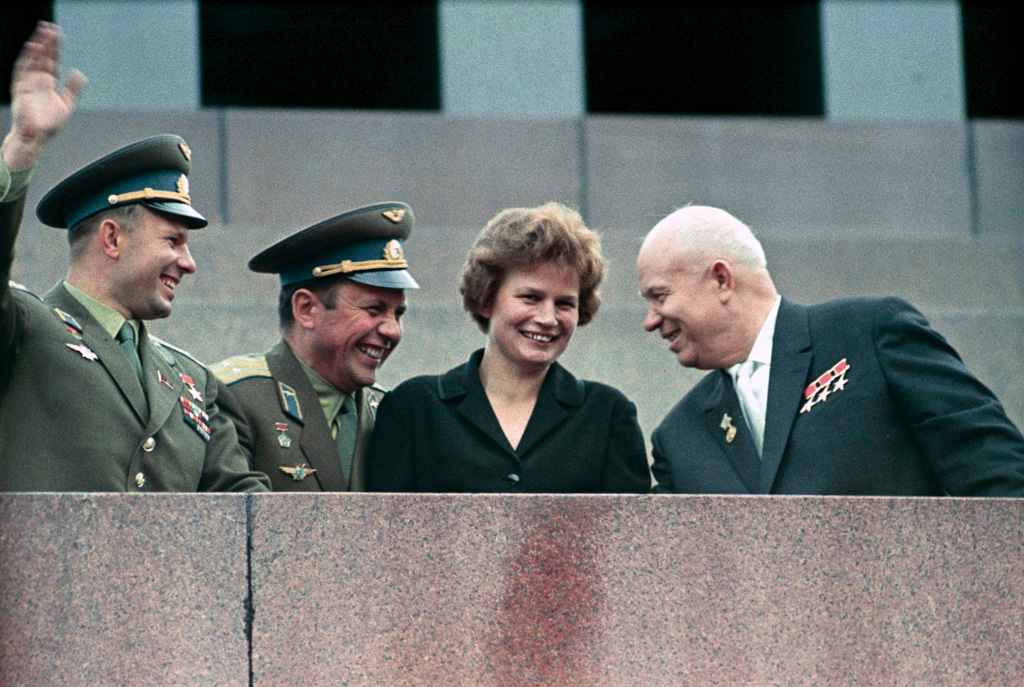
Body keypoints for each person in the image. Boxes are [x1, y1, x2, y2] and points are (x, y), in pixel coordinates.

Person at [0, 21, 269, 493]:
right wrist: (22, 145)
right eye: (173, 241)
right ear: (112, 238)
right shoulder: (22, 329)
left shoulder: (191, 380)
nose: (188, 263)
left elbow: (245, 507)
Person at [637, 204, 1024, 496]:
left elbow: (997, 474)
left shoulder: (869, 334)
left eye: (660, 296)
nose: (651, 321)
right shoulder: (678, 437)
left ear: (722, 279)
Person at [365, 201, 651, 493]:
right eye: (530, 297)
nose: (548, 319)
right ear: (486, 299)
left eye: (564, 303)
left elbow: (632, 535)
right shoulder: (413, 408)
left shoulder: (608, 415)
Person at [211, 203, 417, 491]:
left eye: (398, 314)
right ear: (306, 309)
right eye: (374, 309)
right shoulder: (235, 396)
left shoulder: (387, 413)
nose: (392, 330)